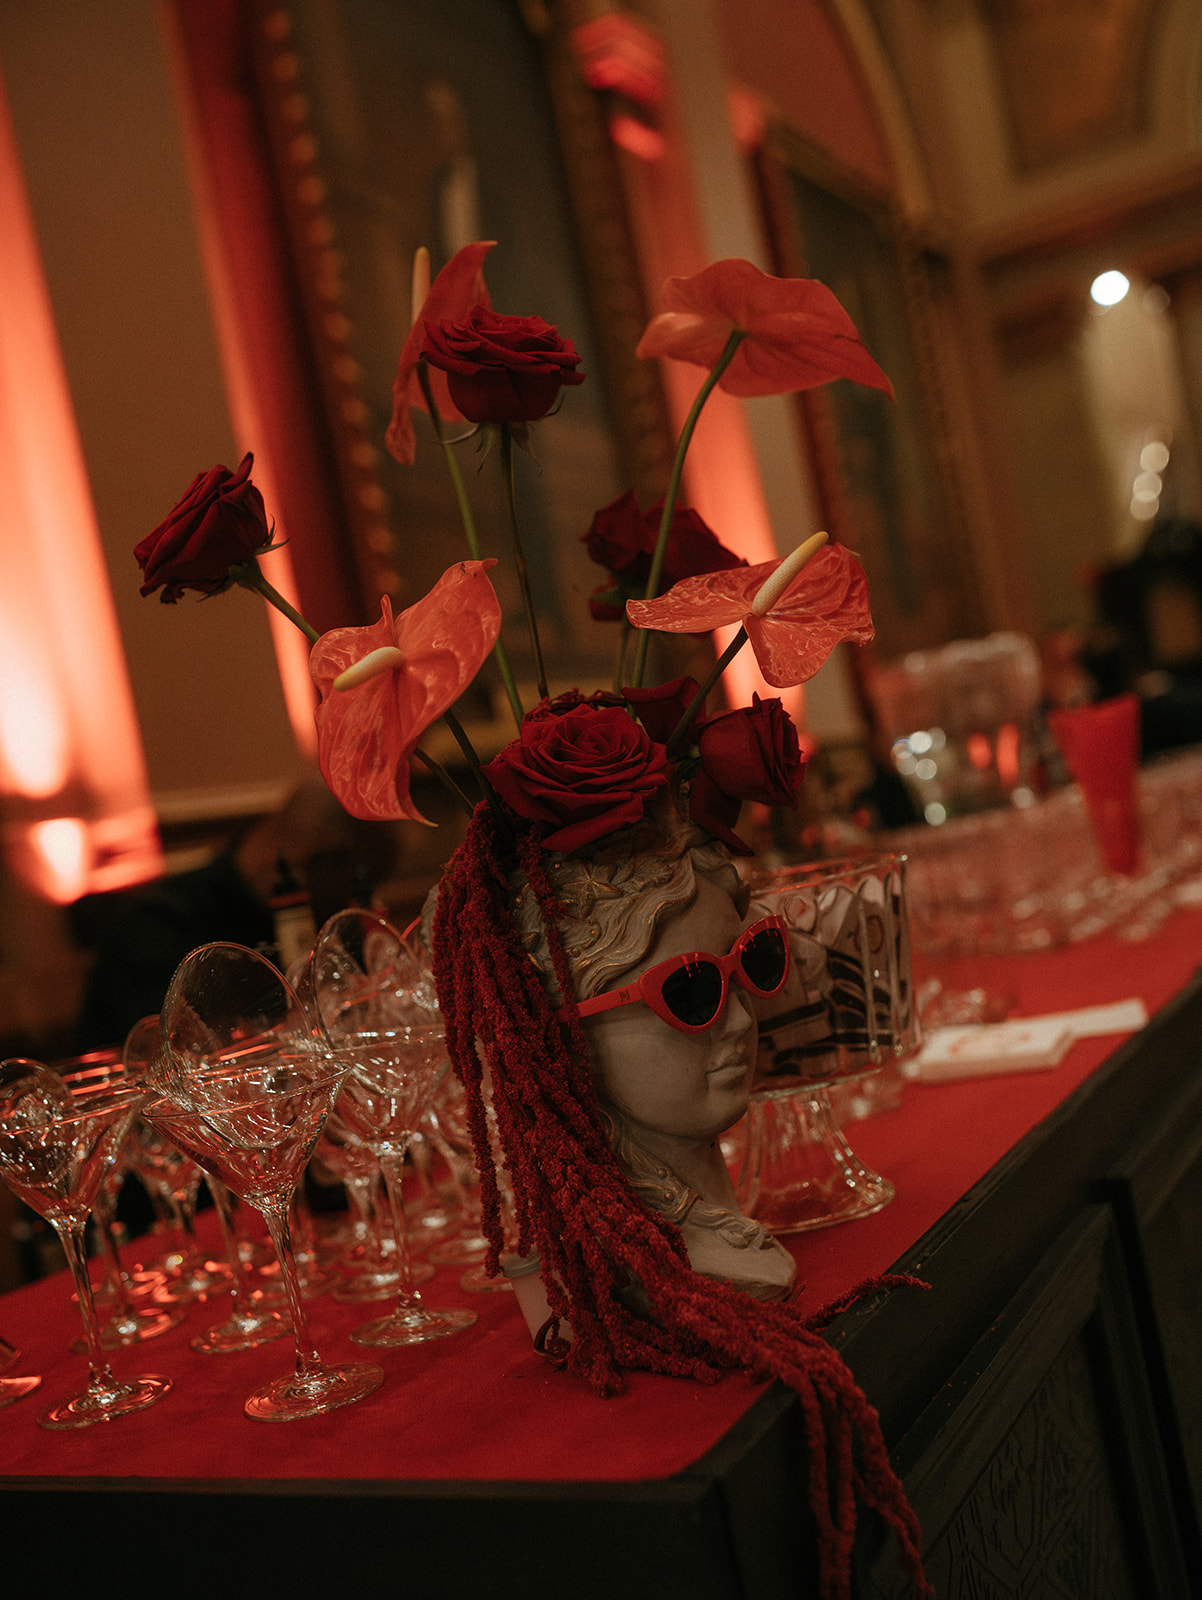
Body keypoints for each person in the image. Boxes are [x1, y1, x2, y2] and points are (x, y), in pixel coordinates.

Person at [432, 802, 928, 1600]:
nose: (737, 1020)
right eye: (690, 991)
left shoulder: (719, 1209)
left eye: (751, 962)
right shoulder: (584, 1263)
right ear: (559, 1037)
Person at [73, 775, 396, 1052]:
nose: (352, 908)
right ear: (325, 862)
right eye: (359, 887)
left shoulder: (310, 914)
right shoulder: (158, 928)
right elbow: (176, 1067)